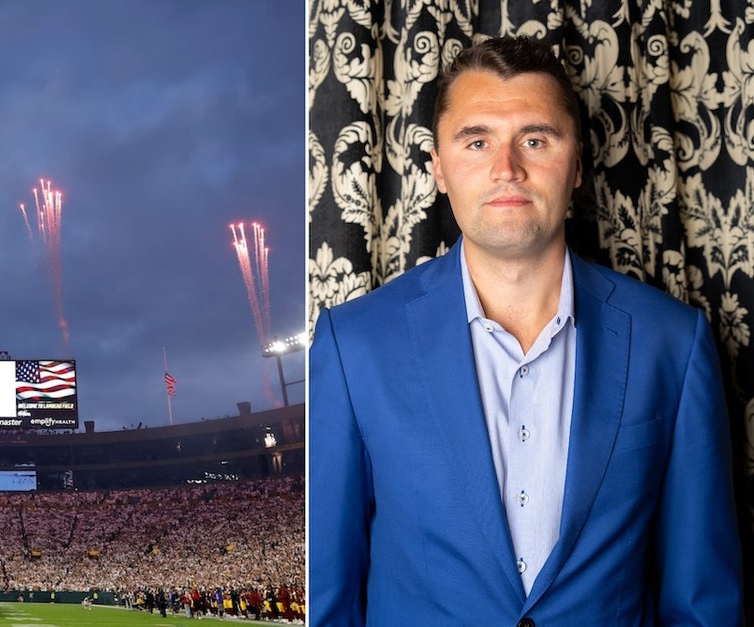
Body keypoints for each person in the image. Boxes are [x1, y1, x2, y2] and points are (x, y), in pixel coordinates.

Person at [308, 34, 744, 624]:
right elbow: (328, 601)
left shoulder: (674, 342)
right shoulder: (350, 346)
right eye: (477, 140)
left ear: (579, 165)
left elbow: (703, 603)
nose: (506, 168)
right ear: (438, 167)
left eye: (535, 140)